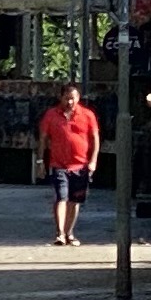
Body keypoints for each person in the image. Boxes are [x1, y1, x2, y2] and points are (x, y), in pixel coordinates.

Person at [39, 80, 101, 247]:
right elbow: (43, 139)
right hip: (59, 165)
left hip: (81, 166)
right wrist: (39, 161)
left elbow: (95, 139)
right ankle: (59, 233)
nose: (70, 102)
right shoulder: (51, 115)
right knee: (61, 197)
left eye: (73, 98)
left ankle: (69, 232)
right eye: (67, 98)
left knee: (75, 201)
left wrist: (93, 161)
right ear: (61, 98)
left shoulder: (88, 115)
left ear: (78, 98)